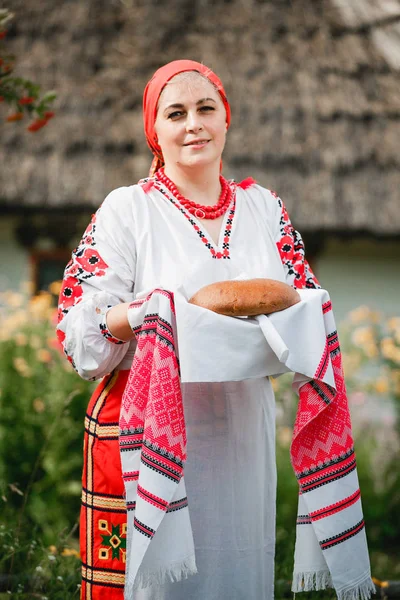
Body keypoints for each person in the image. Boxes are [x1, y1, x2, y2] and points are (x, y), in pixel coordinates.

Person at [57, 60, 373, 600]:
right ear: (153, 130)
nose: (193, 124)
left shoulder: (263, 207)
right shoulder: (128, 210)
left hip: (242, 435)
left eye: (206, 108)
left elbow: (303, 300)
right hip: (150, 432)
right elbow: (77, 337)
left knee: (238, 572)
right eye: (175, 113)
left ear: (227, 117)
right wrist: (143, 314)